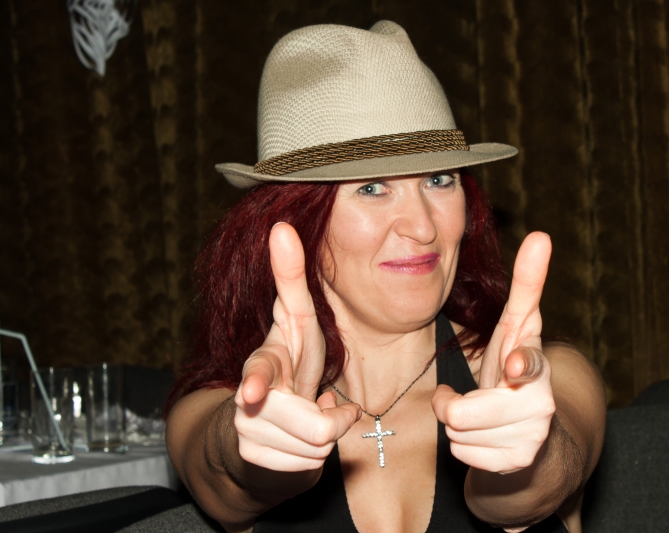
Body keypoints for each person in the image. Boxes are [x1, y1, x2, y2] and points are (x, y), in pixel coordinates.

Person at [166, 20, 606, 533]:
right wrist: (251, 445)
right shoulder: (222, 408)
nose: (423, 227)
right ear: (296, 221)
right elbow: (224, 474)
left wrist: (521, 460)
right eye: (372, 187)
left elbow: (537, 485)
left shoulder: (545, 379)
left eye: (439, 179)